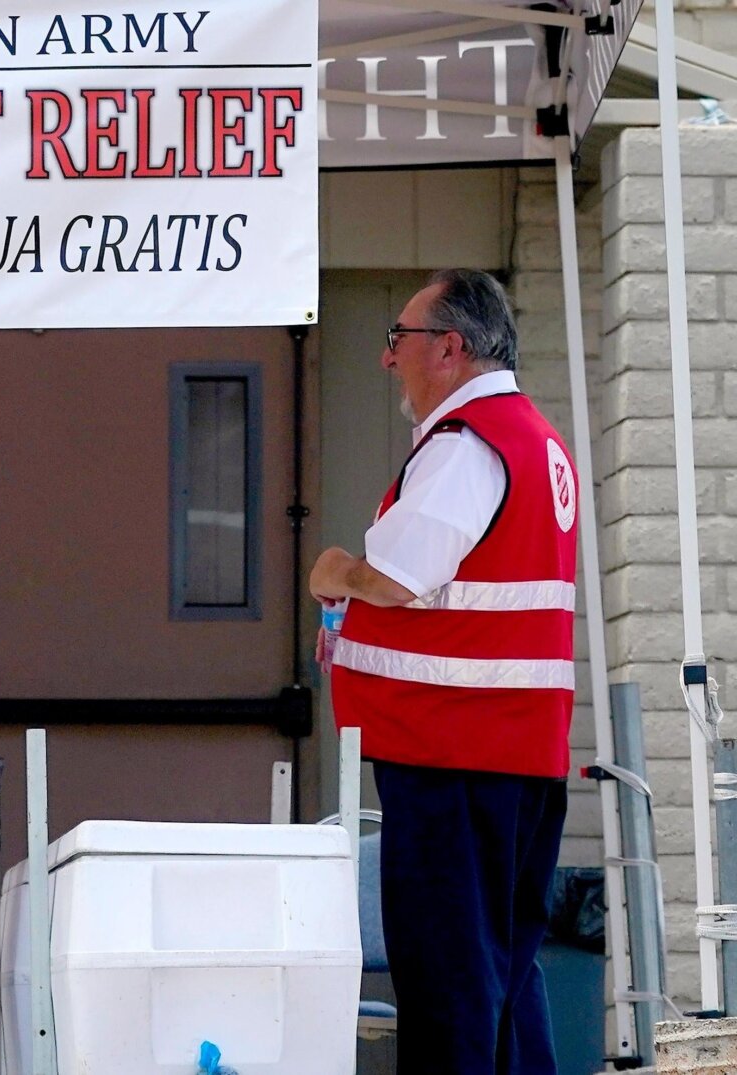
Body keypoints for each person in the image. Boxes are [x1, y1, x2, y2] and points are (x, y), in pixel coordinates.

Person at [310, 270, 577, 1074]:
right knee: (504, 971)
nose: (390, 360)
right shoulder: (536, 441)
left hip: (451, 753)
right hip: (511, 754)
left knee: (449, 982)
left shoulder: (469, 445)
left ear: (451, 348)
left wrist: (335, 570)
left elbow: (398, 575)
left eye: (400, 339)